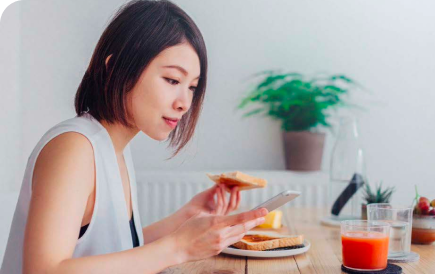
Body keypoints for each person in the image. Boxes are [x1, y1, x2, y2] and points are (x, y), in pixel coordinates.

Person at [0, 1, 268, 273]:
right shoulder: (74, 148)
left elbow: (116, 254)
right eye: (173, 80)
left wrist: (186, 218)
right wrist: (177, 247)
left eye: (192, 87)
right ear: (116, 68)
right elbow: (43, 270)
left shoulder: (113, 148)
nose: (184, 103)